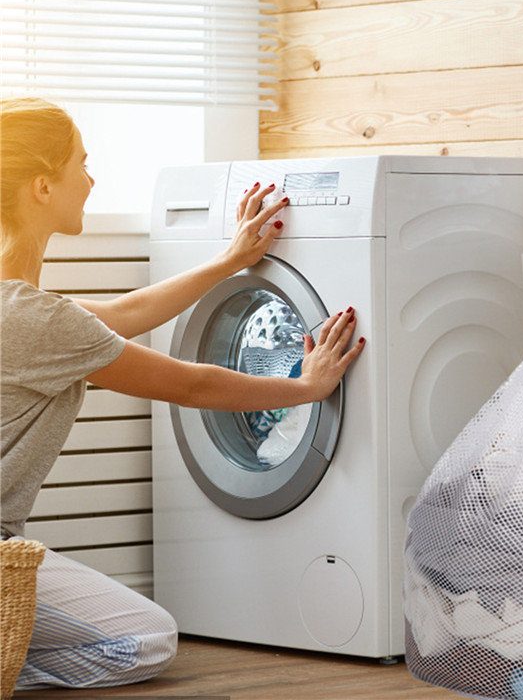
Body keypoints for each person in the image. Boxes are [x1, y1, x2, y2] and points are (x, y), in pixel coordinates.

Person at [0, 97, 365, 691]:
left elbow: (123, 314)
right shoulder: (38, 319)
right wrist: (306, 386)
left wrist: (229, 260)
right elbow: (192, 382)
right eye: (82, 165)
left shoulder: (26, 310)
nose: (92, 181)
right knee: (147, 641)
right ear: (43, 186)